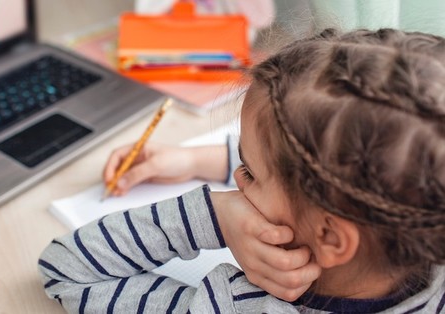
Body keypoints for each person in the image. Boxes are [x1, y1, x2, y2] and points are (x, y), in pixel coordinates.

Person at [38, 28, 445, 313]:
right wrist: (195, 161)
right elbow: (302, 178)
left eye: (248, 170)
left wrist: (212, 216)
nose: (237, 177)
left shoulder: (238, 306)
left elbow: (66, 271)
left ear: (330, 236)